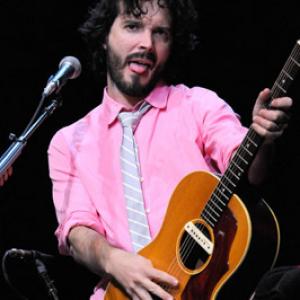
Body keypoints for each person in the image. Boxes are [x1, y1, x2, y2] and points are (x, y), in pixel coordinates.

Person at [47, 0, 293, 299]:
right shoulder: (68, 142)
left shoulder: (198, 105)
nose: (147, 44)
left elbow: (249, 168)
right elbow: (77, 231)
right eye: (132, 26)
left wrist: (263, 138)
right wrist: (114, 261)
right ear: (103, 37)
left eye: (161, 33)